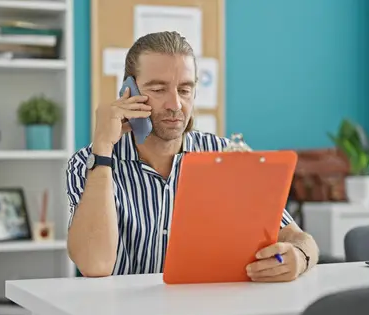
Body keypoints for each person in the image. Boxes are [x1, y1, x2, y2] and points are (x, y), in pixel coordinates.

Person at [65, 31, 319, 281]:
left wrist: (300, 257)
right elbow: (94, 264)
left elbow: (298, 238)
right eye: (158, 89)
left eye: (185, 90)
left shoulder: (228, 156)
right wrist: (103, 148)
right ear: (128, 92)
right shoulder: (88, 163)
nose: (175, 104)